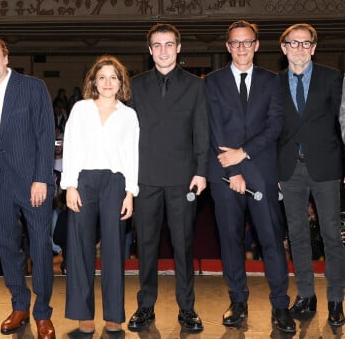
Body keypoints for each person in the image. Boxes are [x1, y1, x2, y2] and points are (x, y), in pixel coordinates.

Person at [204, 20, 295, 333]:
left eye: (247, 42)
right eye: (235, 42)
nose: (241, 47)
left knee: (271, 241)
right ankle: (238, 301)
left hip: (262, 171)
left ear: (257, 45)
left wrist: (242, 154)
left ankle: (280, 306)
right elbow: (212, 129)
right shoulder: (212, 82)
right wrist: (232, 171)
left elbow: (275, 126)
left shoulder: (273, 81)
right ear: (228, 47)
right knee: (230, 241)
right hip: (223, 173)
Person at [128, 23, 208, 333]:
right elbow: (125, 135)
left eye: (168, 44)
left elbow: (202, 132)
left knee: (183, 246)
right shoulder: (133, 86)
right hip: (144, 178)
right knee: (146, 246)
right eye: (157, 45)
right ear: (149, 50)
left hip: (182, 179)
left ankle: (187, 308)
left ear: (178, 48)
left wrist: (202, 171)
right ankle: (145, 307)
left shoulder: (196, 86)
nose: (163, 50)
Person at [0, 35, 56, 339]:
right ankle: (19, 304)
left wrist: (42, 178)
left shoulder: (32, 87)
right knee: (8, 248)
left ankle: (43, 313)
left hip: (33, 183)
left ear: (6, 58)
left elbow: (45, 135)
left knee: (40, 248)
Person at [61, 55, 139, 334]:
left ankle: (114, 313)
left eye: (113, 77)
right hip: (83, 180)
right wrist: (70, 184)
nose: (107, 82)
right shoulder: (81, 109)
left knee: (114, 249)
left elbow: (132, 155)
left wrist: (130, 192)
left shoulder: (128, 115)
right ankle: (83, 313)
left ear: (121, 83)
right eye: (102, 77)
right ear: (93, 81)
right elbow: (70, 147)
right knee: (80, 249)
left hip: (115, 183)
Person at [279, 23, 345, 326]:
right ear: (284, 48)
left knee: (332, 236)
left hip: (327, 168)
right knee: (297, 236)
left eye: (306, 44)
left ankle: (336, 299)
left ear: (314, 48)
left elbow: (343, 125)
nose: (300, 48)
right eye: (294, 43)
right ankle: (306, 295)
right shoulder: (274, 83)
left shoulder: (333, 79)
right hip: (289, 170)